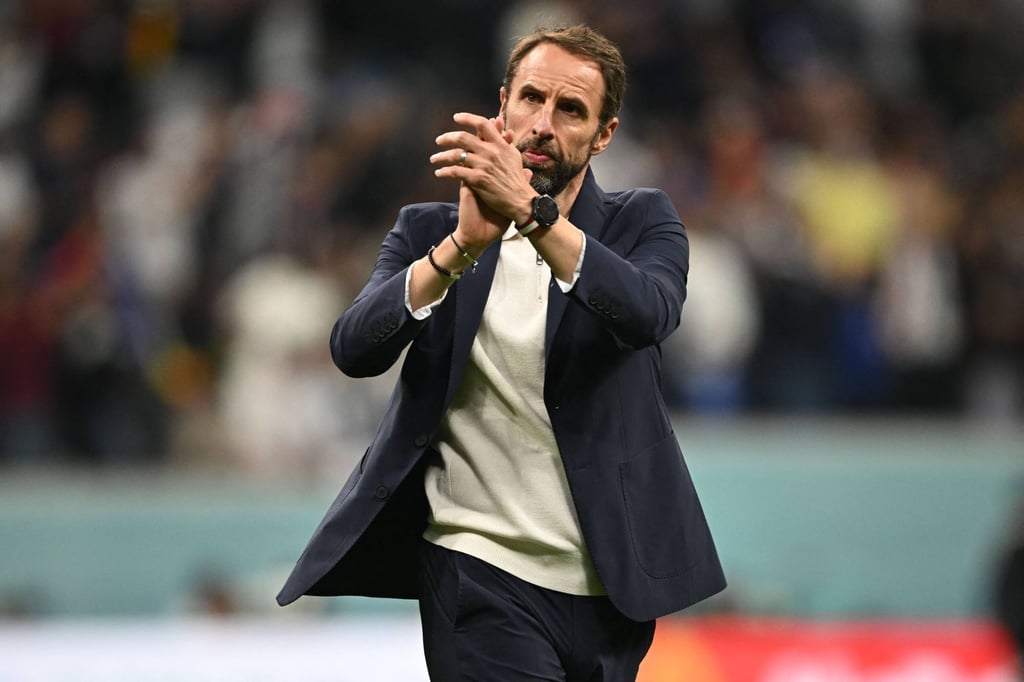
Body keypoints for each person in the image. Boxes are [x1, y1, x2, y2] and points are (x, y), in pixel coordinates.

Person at [277, 24, 726, 680]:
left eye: (570, 109)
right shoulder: (429, 230)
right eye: (531, 98)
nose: (542, 123)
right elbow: (354, 347)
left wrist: (533, 213)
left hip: (608, 588)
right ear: (502, 104)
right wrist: (460, 247)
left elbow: (648, 313)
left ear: (604, 134)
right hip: (475, 568)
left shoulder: (642, 221)